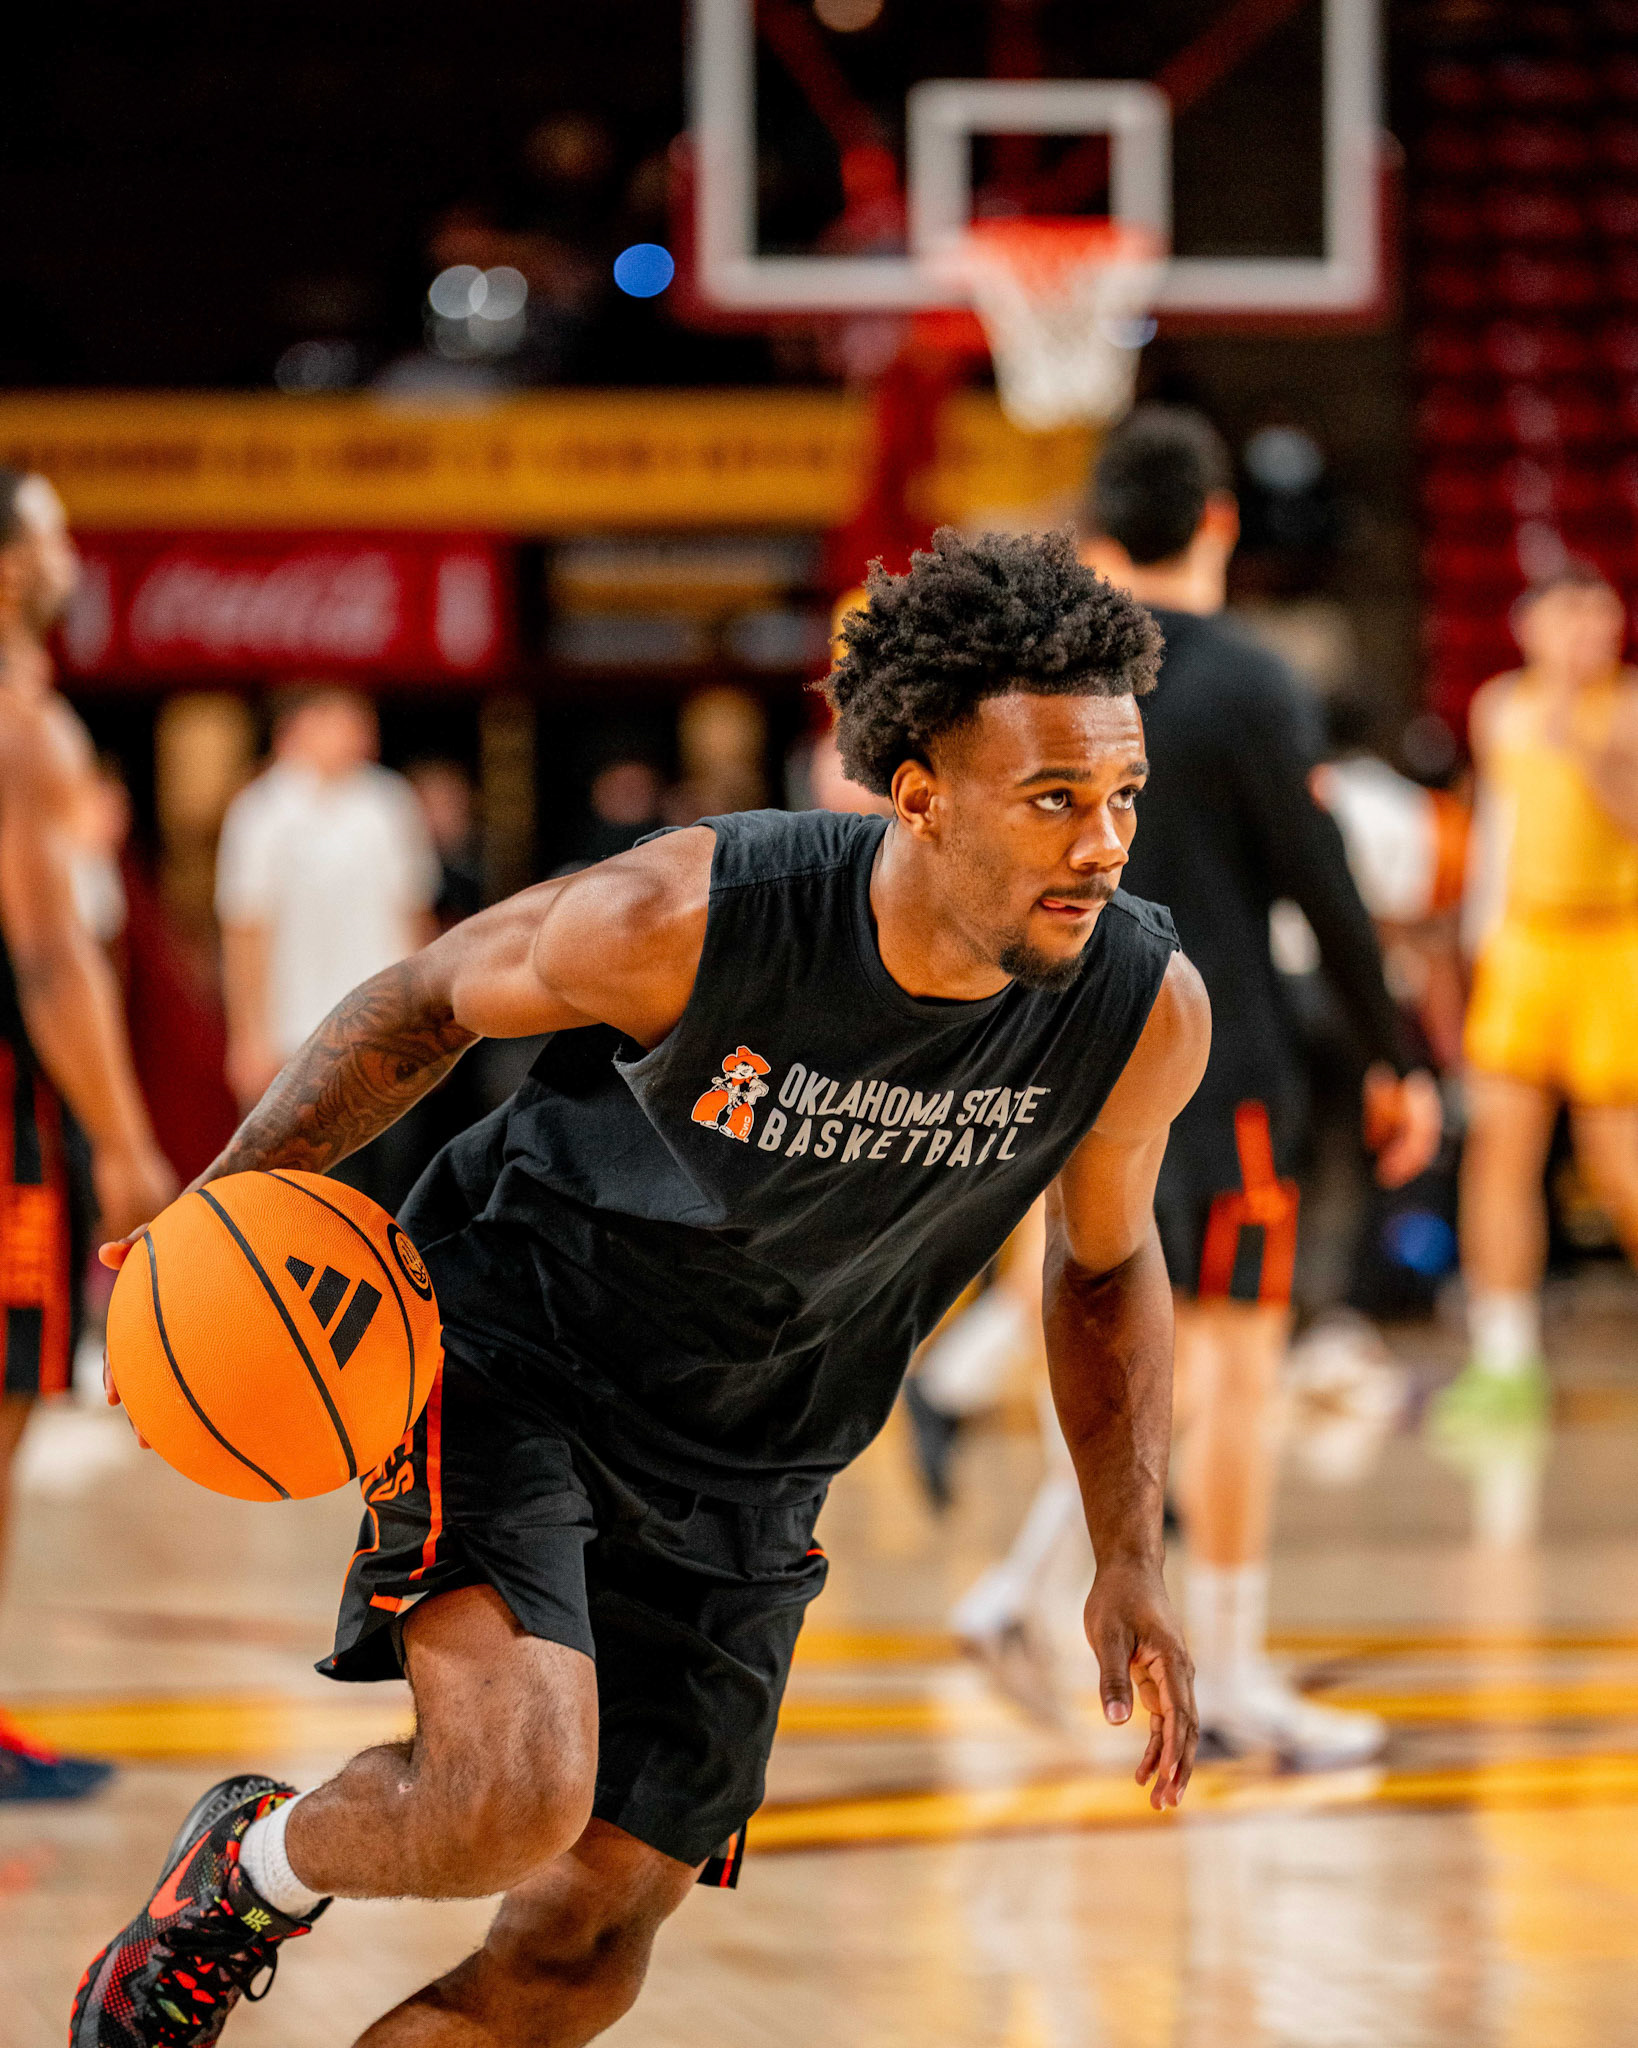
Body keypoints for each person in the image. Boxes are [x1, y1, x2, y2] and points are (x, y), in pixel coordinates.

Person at [78, 528, 1206, 2048]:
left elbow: (1106, 1259)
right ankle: (253, 1866)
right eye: (1055, 799)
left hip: (760, 1457)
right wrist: (215, 1214)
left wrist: (1126, 1547)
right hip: (517, 1353)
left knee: (584, 1945)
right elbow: (419, 1003)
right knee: (506, 1800)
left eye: (1122, 797)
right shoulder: (690, 919)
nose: (1104, 842)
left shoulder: (1136, 1009)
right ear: (920, 794)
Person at [1076, 407, 1441, 1767]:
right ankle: (1220, 1675)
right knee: (1229, 1368)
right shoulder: (1241, 680)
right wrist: (1399, 1058)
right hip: (1215, 1067)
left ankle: (1068, 1629)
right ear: (1218, 522)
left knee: (1102, 1358)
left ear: (1100, 533)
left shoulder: (1048, 674)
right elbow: (1325, 890)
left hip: (1062, 1069)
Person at [0, 471, 176, 1796]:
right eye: (54, 532)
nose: (68, 555)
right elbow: (52, 957)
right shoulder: (21, 721)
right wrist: (123, 1138)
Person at [1438, 562, 1638, 1426]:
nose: (1586, 640)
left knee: (1619, 1161)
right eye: (1570, 622)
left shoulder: (1627, 708)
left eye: (1600, 622)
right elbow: (1494, 835)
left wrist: (1589, 752)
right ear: (1532, 629)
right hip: (1525, 940)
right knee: (1499, 1152)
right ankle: (1505, 1357)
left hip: (1614, 939)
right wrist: (1471, 957)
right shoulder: (1498, 708)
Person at [214, 686, 440, 1210]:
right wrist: (248, 1035)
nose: (362, 733)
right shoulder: (260, 811)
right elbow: (245, 930)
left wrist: (429, 1022)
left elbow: (415, 915)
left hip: (384, 1029)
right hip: (297, 1035)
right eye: (345, 719)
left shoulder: (388, 802)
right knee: (308, 1192)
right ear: (300, 725)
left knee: (392, 1183)